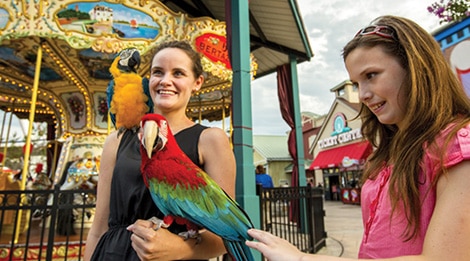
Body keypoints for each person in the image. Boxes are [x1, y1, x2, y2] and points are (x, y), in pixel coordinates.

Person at [246, 15, 470, 260]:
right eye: (356, 82)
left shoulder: (457, 143)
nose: (362, 94)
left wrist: (303, 258)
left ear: (415, 67)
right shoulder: (389, 151)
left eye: (371, 75)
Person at [84, 40, 236, 261]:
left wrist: (181, 249)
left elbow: (225, 234)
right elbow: (98, 227)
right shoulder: (116, 142)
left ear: (197, 82)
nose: (166, 81)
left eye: (178, 73)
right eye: (158, 72)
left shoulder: (210, 140)